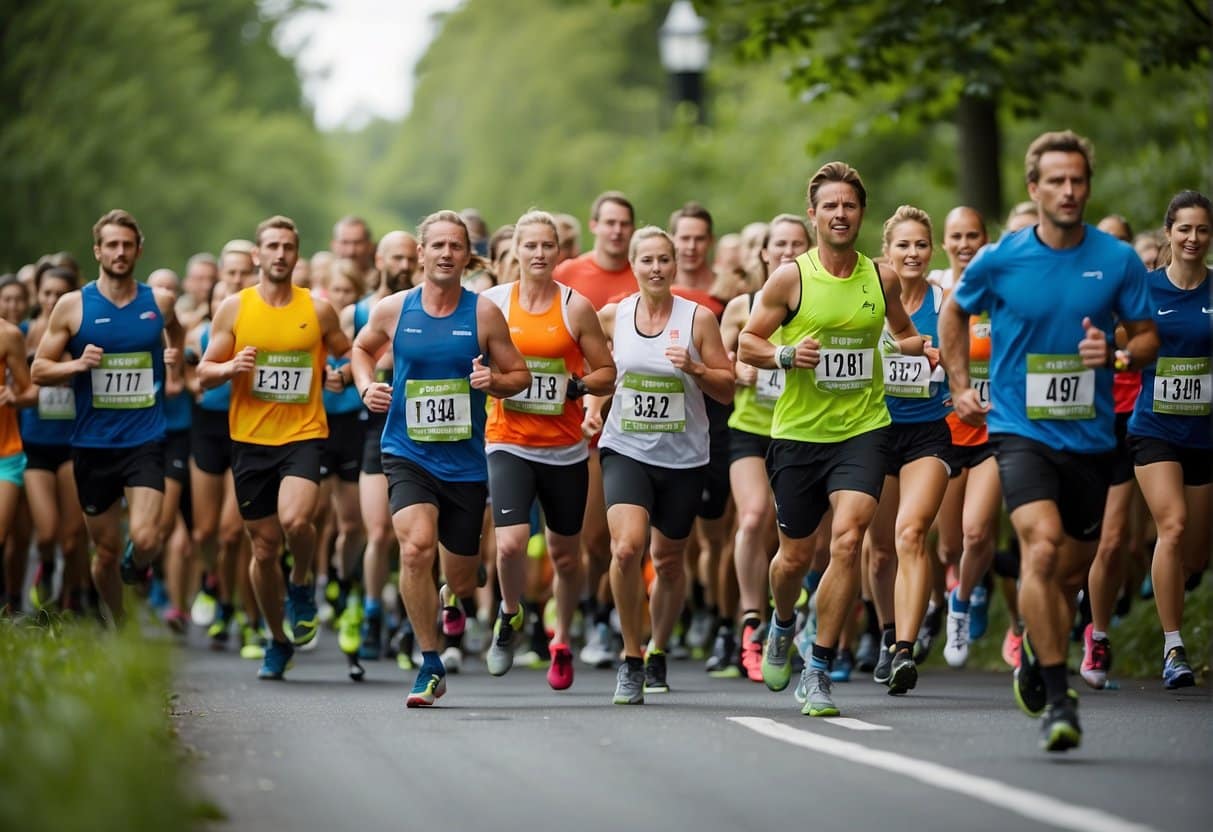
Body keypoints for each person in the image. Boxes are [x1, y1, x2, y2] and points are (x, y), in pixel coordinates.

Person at [940, 130, 1157, 752]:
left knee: (1067, 574)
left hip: (1091, 438)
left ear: (1088, 186)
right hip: (1019, 429)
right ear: (1034, 189)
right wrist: (959, 385)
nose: (1068, 191)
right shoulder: (1002, 258)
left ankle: (1041, 645)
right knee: (1038, 549)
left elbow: (1146, 340)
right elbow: (955, 311)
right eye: (1056, 181)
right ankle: (1060, 700)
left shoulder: (1116, 260)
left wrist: (1115, 353)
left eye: (1078, 181)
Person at [739, 161, 928, 718]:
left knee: (848, 541)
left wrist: (917, 350)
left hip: (864, 429)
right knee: (793, 559)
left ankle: (818, 668)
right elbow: (748, 342)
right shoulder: (790, 278)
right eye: (830, 206)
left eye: (849, 205)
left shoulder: (881, 276)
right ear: (813, 215)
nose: (840, 214)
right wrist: (785, 354)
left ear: (861, 214)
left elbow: (902, 333)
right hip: (798, 434)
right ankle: (781, 623)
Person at [351, 210, 529, 708]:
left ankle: (453, 595)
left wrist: (493, 381)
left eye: (456, 246)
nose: (446, 254)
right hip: (407, 450)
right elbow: (360, 350)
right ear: (422, 253)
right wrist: (367, 386)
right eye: (438, 246)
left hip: (466, 461)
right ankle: (429, 662)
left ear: (466, 255)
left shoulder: (483, 314)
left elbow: (520, 375)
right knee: (414, 548)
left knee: (461, 575)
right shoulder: (393, 309)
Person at [198, 215, 352, 680]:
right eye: (273, 246)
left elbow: (345, 353)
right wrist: (230, 369)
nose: (281, 254)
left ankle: (302, 582)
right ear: (257, 256)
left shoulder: (318, 309)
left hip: (303, 433)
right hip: (249, 441)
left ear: (296, 255)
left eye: (288, 246)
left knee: (296, 519)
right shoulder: (234, 308)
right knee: (263, 549)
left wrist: (341, 375)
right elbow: (203, 371)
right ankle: (277, 638)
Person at [586, 225, 734, 704]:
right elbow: (600, 369)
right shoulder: (613, 316)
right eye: (646, 259)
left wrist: (696, 369)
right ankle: (630, 656)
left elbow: (727, 388)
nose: (655, 268)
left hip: (684, 457)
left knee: (669, 560)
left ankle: (658, 647)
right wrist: (592, 403)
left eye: (663, 260)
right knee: (627, 549)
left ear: (674, 265)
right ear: (633, 265)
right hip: (625, 448)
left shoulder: (700, 320)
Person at [481, 211, 616, 690]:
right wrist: (483, 379)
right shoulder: (492, 303)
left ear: (558, 252)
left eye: (548, 246)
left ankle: (560, 639)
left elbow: (607, 372)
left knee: (564, 556)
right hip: (509, 440)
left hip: (564, 449)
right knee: (511, 542)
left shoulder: (576, 308)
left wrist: (576, 387)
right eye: (531, 245)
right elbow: (469, 361)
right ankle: (510, 614)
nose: (539, 254)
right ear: (514, 250)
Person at [31, 209, 184, 624]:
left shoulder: (159, 301)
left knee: (149, 536)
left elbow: (178, 330)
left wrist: (176, 367)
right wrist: (76, 366)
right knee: (106, 553)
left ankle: (141, 564)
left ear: (138, 250)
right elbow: (38, 370)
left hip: (145, 439)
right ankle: (119, 625)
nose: (120, 252)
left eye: (127, 245)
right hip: (92, 444)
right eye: (112, 245)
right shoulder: (73, 305)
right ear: (98, 250)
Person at [719, 214, 812, 682]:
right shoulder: (743, 306)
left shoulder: (820, 305)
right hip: (751, 428)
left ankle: (793, 619)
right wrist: (739, 370)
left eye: (798, 243)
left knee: (792, 534)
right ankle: (751, 624)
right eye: (780, 244)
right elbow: (715, 368)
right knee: (753, 517)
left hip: (801, 429)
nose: (788, 251)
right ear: (764, 253)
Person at [1126, 190, 1211, 689]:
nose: (1193, 238)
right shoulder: (1146, 291)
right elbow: (1124, 345)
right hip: (1153, 429)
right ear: (1169, 233)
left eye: (1202, 229)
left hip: (1204, 433)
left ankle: (1172, 590)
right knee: (1172, 528)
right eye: (1184, 229)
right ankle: (1173, 646)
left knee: (1195, 554)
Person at [864, 206, 950, 695]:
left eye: (920, 245)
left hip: (927, 433)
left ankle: (904, 650)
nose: (913, 253)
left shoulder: (946, 301)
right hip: (874, 430)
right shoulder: (870, 297)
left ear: (930, 250)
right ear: (887, 253)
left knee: (911, 533)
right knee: (878, 554)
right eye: (903, 246)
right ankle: (886, 631)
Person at [553, 191, 637, 667]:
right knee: (589, 537)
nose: (617, 231)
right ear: (594, 225)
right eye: (609, 222)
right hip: (579, 413)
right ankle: (583, 612)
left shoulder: (642, 272)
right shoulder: (569, 275)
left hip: (637, 417)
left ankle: (604, 619)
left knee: (619, 539)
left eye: (625, 223)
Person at [353, 230, 419, 662]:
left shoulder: (431, 307)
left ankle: (411, 620)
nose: (404, 265)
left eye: (410, 258)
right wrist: (358, 382)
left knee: (416, 540)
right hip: (377, 431)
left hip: (426, 431)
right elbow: (349, 358)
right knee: (378, 532)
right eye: (396, 257)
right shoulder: (360, 313)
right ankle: (373, 612)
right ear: (379, 259)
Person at [18, 265, 88, 614]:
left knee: (73, 536)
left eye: (59, 294)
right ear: (37, 294)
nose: (51, 301)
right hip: (34, 443)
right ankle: (45, 575)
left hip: (74, 443)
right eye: (46, 293)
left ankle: (70, 598)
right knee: (45, 534)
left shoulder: (79, 334)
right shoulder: (22, 333)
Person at [0, 314, 31, 615]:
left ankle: (8, 602)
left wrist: (15, 395)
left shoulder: (7, 334)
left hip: (4, 454)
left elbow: (31, 391)